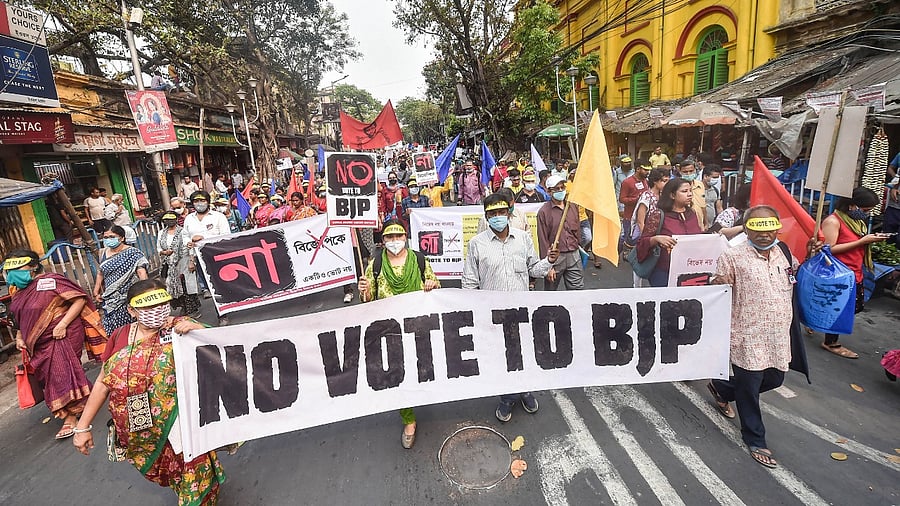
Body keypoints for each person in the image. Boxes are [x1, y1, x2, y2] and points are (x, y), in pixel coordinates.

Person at [73, 280, 225, 504]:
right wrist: (82, 427)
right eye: (147, 307)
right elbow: (103, 382)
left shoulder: (180, 327)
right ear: (131, 311)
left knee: (191, 468)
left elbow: (227, 348)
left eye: (162, 304)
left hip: (179, 418)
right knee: (173, 472)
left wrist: (199, 331)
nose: (157, 311)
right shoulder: (120, 337)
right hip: (138, 426)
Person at [708, 206, 818, 469]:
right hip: (745, 335)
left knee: (775, 378)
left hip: (778, 335)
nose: (764, 235)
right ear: (746, 230)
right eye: (757, 229)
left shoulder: (785, 253)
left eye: (769, 229)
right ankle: (755, 438)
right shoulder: (732, 257)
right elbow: (717, 291)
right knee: (750, 387)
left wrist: (811, 258)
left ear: (777, 229)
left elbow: (795, 280)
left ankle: (722, 388)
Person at [462, 194, 558, 421]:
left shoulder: (523, 238)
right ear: (486, 217)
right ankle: (506, 398)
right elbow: (469, 282)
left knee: (524, 354)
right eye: (492, 214)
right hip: (493, 314)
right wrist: (475, 312)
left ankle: (524, 391)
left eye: (501, 213)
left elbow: (534, 269)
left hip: (522, 311)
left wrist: (550, 261)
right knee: (501, 357)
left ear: (508, 213)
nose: (497, 217)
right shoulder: (476, 244)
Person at [357, 221, 439, 449]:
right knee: (396, 375)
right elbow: (368, 301)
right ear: (382, 241)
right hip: (389, 331)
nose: (394, 241)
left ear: (405, 237)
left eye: (398, 235)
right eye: (389, 237)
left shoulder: (420, 260)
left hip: (418, 327)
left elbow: (435, 286)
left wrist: (432, 284)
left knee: (421, 368)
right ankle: (409, 419)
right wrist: (363, 291)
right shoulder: (374, 266)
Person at [7, 250, 104, 440]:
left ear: (33, 266)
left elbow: (79, 299)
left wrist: (62, 324)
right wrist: (19, 336)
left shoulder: (52, 281)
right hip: (35, 342)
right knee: (48, 377)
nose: (13, 273)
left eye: (18, 268)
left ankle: (70, 418)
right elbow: (19, 317)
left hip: (62, 334)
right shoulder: (16, 290)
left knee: (60, 373)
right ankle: (82, 400)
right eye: (10, 269)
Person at [819, 187, 886, 359]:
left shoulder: (857, 222)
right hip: (838, 274)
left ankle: (818, 321)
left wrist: (868, 239)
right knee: (841, 310)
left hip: (855, 271)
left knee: (854, 306)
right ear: (852, 206)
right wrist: (863, 241)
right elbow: (829, 249)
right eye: (865, 210)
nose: (867, 214)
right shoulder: (833, 222)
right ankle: (831, 342)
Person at [635, 178, 703, 287]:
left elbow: (698, 238)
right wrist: (656, 239)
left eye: (690, 191)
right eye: (684, 191)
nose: (690, 194)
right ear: (672, 195)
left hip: (690, 271)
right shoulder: (658, 215)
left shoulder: (692, 214)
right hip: (664, 271)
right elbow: (642, 243)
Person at [93, 226, 149, 334]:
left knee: (130, 327)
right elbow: (100, 272)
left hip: (128, 296)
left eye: (112, 237)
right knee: (113, 328)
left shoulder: (133, 253)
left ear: (122, 238)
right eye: (105, 237)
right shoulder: (103, 253)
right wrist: (96, 291)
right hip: (110, 298)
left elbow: (141, 271)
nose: (108, 239)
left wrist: (145, 290)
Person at [537, 175, 583, 291]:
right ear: (549, 191)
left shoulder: (572, 206)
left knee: (577, 292)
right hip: (555, 257)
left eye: (562, 187)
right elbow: (543, 240)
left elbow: (577, 229)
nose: (560, 191)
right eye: (556, 189)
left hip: (574, 254)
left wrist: (579, 249)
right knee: (551, 293)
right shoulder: (544, 212)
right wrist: (548, 266)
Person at [630, 167, 670, 286]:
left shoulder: (666, 197)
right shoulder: (646, 196)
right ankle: (636, 287)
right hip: (645, 234)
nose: (666, 183)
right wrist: (645, 238)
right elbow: (640, 220)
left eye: (668, 180)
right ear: (655, 181)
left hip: (659, 233)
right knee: (641, 258)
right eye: (664, 181)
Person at [157, 211, 201, 318]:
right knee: (174, 286)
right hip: (170, 264)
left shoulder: (183, 232)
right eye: (167, 220)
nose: (170, 222)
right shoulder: (161, 233)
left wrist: (191, 261)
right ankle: (183, 308)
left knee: (186, 286)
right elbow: (158, 248)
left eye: (172, 219)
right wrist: (164, 252)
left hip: (184, 261)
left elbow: (190, 246)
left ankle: (192, 309)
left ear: (176, 220)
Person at [619, 159, 652, 248]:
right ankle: (617, 255)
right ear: (638, 169)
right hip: (630, 216)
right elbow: (622, 199)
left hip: (643, 216)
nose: (647, 172)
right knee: (627, 238)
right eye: (645, 170)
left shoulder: (645, 181)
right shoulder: (627, 182)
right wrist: (637, 199)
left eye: (648, 170)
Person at [677, 160, 707, 229]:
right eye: (685, 172)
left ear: (695, 171)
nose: (688, 174)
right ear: (680, 172)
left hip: (700, 225)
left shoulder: (700, 185)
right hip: (684, 225)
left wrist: (706, 223)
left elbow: (703, 205)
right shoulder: (676, 186)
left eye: (691, 171)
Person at [701, 165, 724, 229]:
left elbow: (719, 208)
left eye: (717, 177)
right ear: (705, 176)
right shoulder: (697, 189)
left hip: (711, 225)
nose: (716, 180)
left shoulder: (715, 190)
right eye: (714, 177)